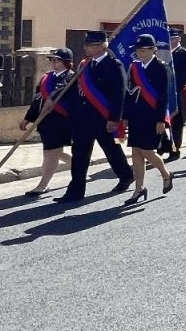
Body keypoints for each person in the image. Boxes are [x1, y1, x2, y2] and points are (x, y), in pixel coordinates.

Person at [59, 30, 132, 202]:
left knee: (111, 151)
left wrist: (114, 119)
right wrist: (54, 99)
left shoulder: (114, 65)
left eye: (90, 45)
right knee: (79, 154)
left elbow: (119, 93)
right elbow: (72, 87)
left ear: (102, 47)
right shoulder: (85, 64)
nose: (86, 48)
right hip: (83, 118)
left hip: (103, 118)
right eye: (86, 45)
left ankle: (126, 175)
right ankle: (75, 190)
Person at [123, 34, 174, 205]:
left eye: (143, 50)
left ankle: (166, 174)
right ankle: (139, 188)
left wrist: (161, 119)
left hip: (153, 116)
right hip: (137, 115)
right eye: (138, 50)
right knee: (136, 151)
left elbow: (163, 95)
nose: (140, 53)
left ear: (153, 50)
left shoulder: (161, 67)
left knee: (147, 151)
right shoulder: (135, 67)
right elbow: (129, 93)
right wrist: (126, 116)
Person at [20, 48, 75, 198]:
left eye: (57, 60)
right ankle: (78, 166)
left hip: (62, 121)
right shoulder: (46, 78)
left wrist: (52, 99)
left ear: (66, 62)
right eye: (52, 60)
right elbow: (37, 99)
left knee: (50, 153)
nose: (53, 63)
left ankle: (42, 185)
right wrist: (28, 118)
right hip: (45, 121)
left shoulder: (71, 78)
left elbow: (62, 93)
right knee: (53, 152)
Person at [166, 32, 186, 158]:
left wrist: (173, 89)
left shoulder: (184, 53)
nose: (170, 41)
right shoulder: (164, 54)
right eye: (169, 38)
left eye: (173, 38)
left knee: (176, 122)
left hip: (178, 91)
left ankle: (175, 149)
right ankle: (164, 146)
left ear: (179, 39)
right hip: (165, 92)